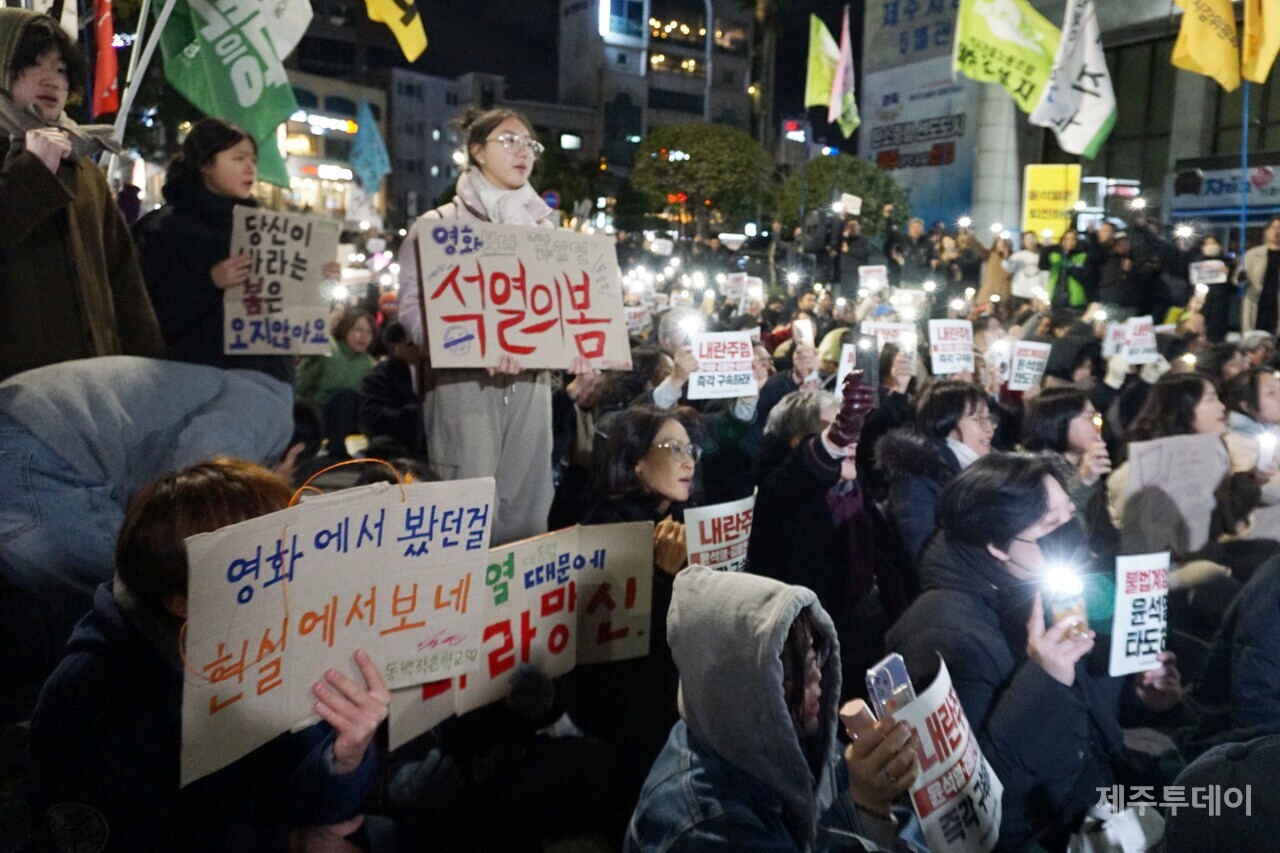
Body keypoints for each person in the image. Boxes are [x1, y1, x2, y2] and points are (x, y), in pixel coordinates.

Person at [26, 459, 388, 851]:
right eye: (267, 567)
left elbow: (293, 792)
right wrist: (288, 843)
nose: (299, 580)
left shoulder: (260, 637)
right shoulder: (89, 700)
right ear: (182, 604)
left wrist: (342, 761)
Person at [887, 453, 1184, 851]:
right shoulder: (942, 636)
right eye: (1050, 525)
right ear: (997, 545)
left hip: (1100, 796)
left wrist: (1139, 695)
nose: (1071, 536)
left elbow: (1079, 712)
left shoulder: (1033, 584)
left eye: (1070, 515)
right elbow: (967, 805)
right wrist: (1044, 679)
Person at [0, 356, 294, 721]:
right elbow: (198, 490)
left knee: (43, 616)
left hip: (27, 436)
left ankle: (35, 728)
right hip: (35, 454)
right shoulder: (271, 410)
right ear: (295, 452)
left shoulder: (214, 385)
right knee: (141, 594)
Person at [625, 565, 921, 852]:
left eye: (814, 651)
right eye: (795, 670)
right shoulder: (704, 823)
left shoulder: (769, 729)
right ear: (744, 689)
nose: (817, 673)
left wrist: (873, 800)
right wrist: (868, 806)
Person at [398, 107, 586, 544]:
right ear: (477, 151)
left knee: (528, 503)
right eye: (509, 140)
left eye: (530, 144)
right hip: (463, 386)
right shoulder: (438, 226)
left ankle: (514, 604)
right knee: (465, 502)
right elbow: (411, 308)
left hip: (533, 385)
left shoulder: (548, 233)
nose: (523, 151)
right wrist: (466, 349)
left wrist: (576, 346)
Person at [0, 8, 163, 381]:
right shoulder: (33, 163)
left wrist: (144, 377)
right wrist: (32, 173)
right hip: (14, 396)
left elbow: (124, 284)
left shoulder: (84, 167)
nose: (52, 80)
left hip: (90, 390)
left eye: (60, 69)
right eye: (32, 64)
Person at [134, 118, 339, 384]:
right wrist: (210, 283)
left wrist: (321, 283)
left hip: (269, 385)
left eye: (253, 160)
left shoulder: (268, 229)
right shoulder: (163, 228)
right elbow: (145, 316)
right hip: (195, 388)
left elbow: (290, 311)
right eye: (238, 158)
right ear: (205, 164)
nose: (250, 168)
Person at [568, 405, 700, 801]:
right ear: (636, 462)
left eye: (690, 449)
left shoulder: (678, 520)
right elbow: (620, 648)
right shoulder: (603, 530)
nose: (688, 460)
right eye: (672, 448)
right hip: (629, 721)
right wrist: (661, 575)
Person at [876, 380, 995, 564]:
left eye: (989, 418)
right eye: (978, 419)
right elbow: (923, 555)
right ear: (947, 424)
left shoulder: (991, 470)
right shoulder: (915, 477)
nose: (989, 428)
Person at [1022, 388, 1116, 555]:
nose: (1097, 424)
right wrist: (1083, 482)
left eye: (1097, 417)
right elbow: (1060, 536)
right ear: (1059, 421)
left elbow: (1103, 536)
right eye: (1089, 417)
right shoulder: (1034, 472)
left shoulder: (1084, 467)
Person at [297, 306, 377, 459]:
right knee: (347, 396)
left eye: (369, 332)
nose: (364, 336)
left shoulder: (370, 364)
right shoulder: (328, 350)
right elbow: (303, 384)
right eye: (358, 329)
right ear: (345, 329)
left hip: (350, 421)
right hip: (317, 415)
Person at [356, 320, 422, 457]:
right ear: (394, 348)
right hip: (399, 443)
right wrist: (412, 415)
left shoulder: (427, 372)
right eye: (411, 343)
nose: (417, 347)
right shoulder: (379, 377)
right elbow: (372, 416)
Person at [1236, 214, 1280, 338]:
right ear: (1267, 232)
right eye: (1274, 228)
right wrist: (1241, 277)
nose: (1278, 232)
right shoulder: (1253, 254)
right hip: (1257, 304)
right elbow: (1238, 277)